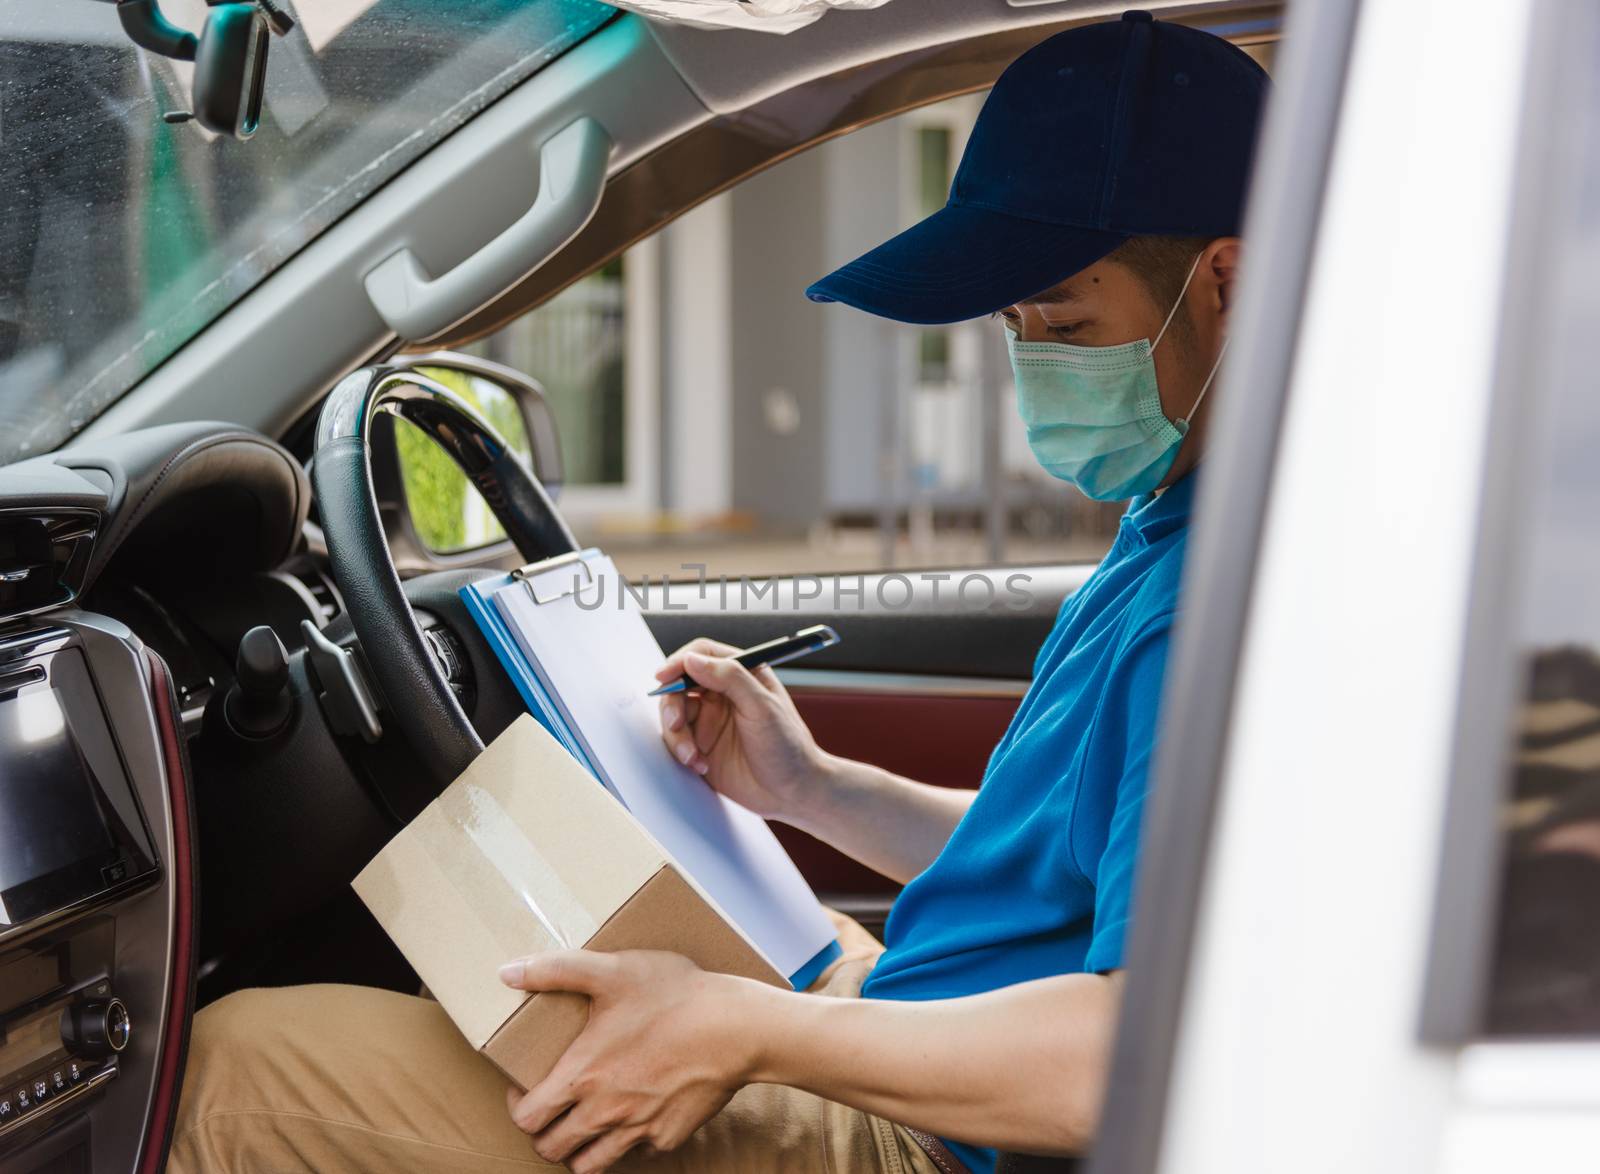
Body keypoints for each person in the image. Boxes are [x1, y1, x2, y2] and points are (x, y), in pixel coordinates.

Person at [168, 12, 1266, 1174]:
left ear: (1228, 284)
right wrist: (815, 789)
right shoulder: (1179, 524)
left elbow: (1132, 1058)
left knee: (240, 1070)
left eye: (1062, 318)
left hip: (944, 1139)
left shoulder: (1224, 614)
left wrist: (751, 1028)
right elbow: (1054, 861)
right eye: (1010, 323)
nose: (1029, 355)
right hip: (896, 1013)